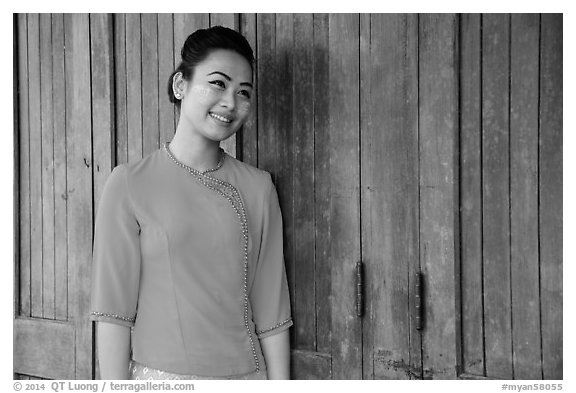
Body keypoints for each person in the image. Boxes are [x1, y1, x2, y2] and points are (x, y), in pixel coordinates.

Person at [90, 26, 293, 380]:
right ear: (180, 85)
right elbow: (113, 314)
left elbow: (272, 309)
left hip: (248, 377)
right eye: (218, 83)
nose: (231, 102)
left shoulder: (259, 188)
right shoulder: (129, 184)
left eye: (243, 92)